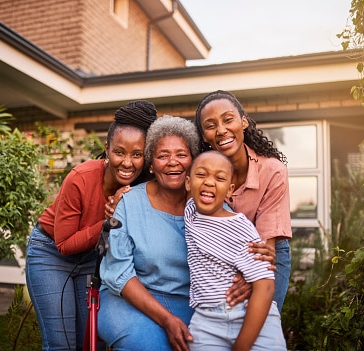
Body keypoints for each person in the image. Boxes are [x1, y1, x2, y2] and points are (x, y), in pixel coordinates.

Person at [99, 115, 258, 351]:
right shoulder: (129, 204)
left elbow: (245, 252)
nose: (173, 162)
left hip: (195, 303)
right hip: (131, 300)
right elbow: (119, 273)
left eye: (182, 155)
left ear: (193, 161)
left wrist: (249, 276)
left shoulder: (211, 204)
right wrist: (166, 319)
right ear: (151, 165)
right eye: (163, 156)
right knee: (152, 346)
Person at [25, 100, 157, 351]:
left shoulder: (139, 189)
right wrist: (108, 222)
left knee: (89, 342)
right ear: (107, 149)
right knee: (62, 344)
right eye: (119, 152)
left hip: (89, 259)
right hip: (50, 253)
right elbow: (64, 245)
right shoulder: (81, 178)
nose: (127, 163)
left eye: (137, 154)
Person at [195, 90, 292, 312]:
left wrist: (250, 276)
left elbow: (265, 246)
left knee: (261, 322)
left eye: (228, 119)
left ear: (244, 122)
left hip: (267, 250)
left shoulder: (272, 171)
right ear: (203, 136)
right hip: (218, 253)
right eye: (210, 125)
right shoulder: (199, 173)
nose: (221, 130)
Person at [184, 150, 287, 350]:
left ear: (230, 190)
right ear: (188, 183)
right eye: (201, 175)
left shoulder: (239, 228)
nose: (209, 182)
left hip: (252, 318)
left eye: (219, 178)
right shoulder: (190, 212)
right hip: (206, 322)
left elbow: (265, 288)